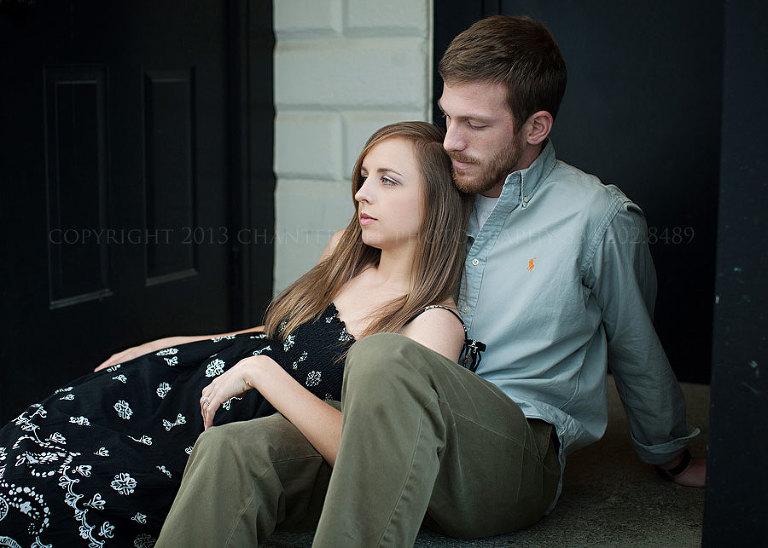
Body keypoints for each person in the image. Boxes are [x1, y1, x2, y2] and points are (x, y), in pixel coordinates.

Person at [156, 14, 706, 548]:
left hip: (509, 454)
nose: (450, 142)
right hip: (383, 425)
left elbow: (635, 344)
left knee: (386, 357)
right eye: (447, 117)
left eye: (476, 125)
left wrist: (669, 453)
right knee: (233, 449)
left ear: (536, 127)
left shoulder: (598, 218)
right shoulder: (437, 190)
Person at [0, 122, 472, 546]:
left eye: (387, 180)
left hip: (226, 430)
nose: (362, 193)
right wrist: (169, 346)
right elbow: (274, 334)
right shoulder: (345, 255)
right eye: (364, 176)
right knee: (24, 443)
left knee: (72, 488)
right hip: (187, 383)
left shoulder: (432, 323)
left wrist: (265, 376)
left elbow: (373, 456)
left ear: (438, 199)